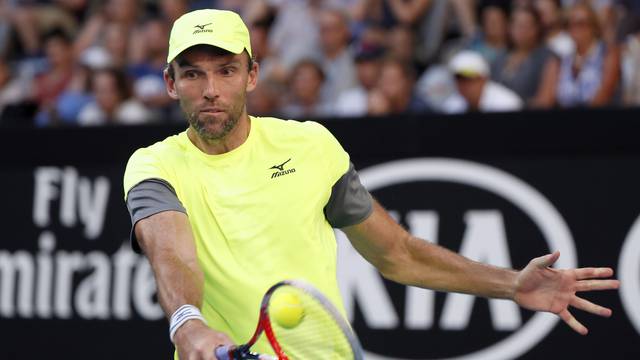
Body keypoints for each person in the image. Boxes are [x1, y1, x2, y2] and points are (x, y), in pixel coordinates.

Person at [123, 9, 619, 360]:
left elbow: (396, 253)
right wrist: (188, 323)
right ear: (170, 83)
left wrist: (511, 284)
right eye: (192, 74)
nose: (210, 89)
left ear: (252, 75)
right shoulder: (155, 165)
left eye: (226, 70)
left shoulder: (312, 145)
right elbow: (172, 253)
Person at [449, 50, 523, 112]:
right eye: (459, 79)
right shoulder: (452, 105)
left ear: (484, 79)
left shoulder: (507, 104)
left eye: (470, 79)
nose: (464, 85)